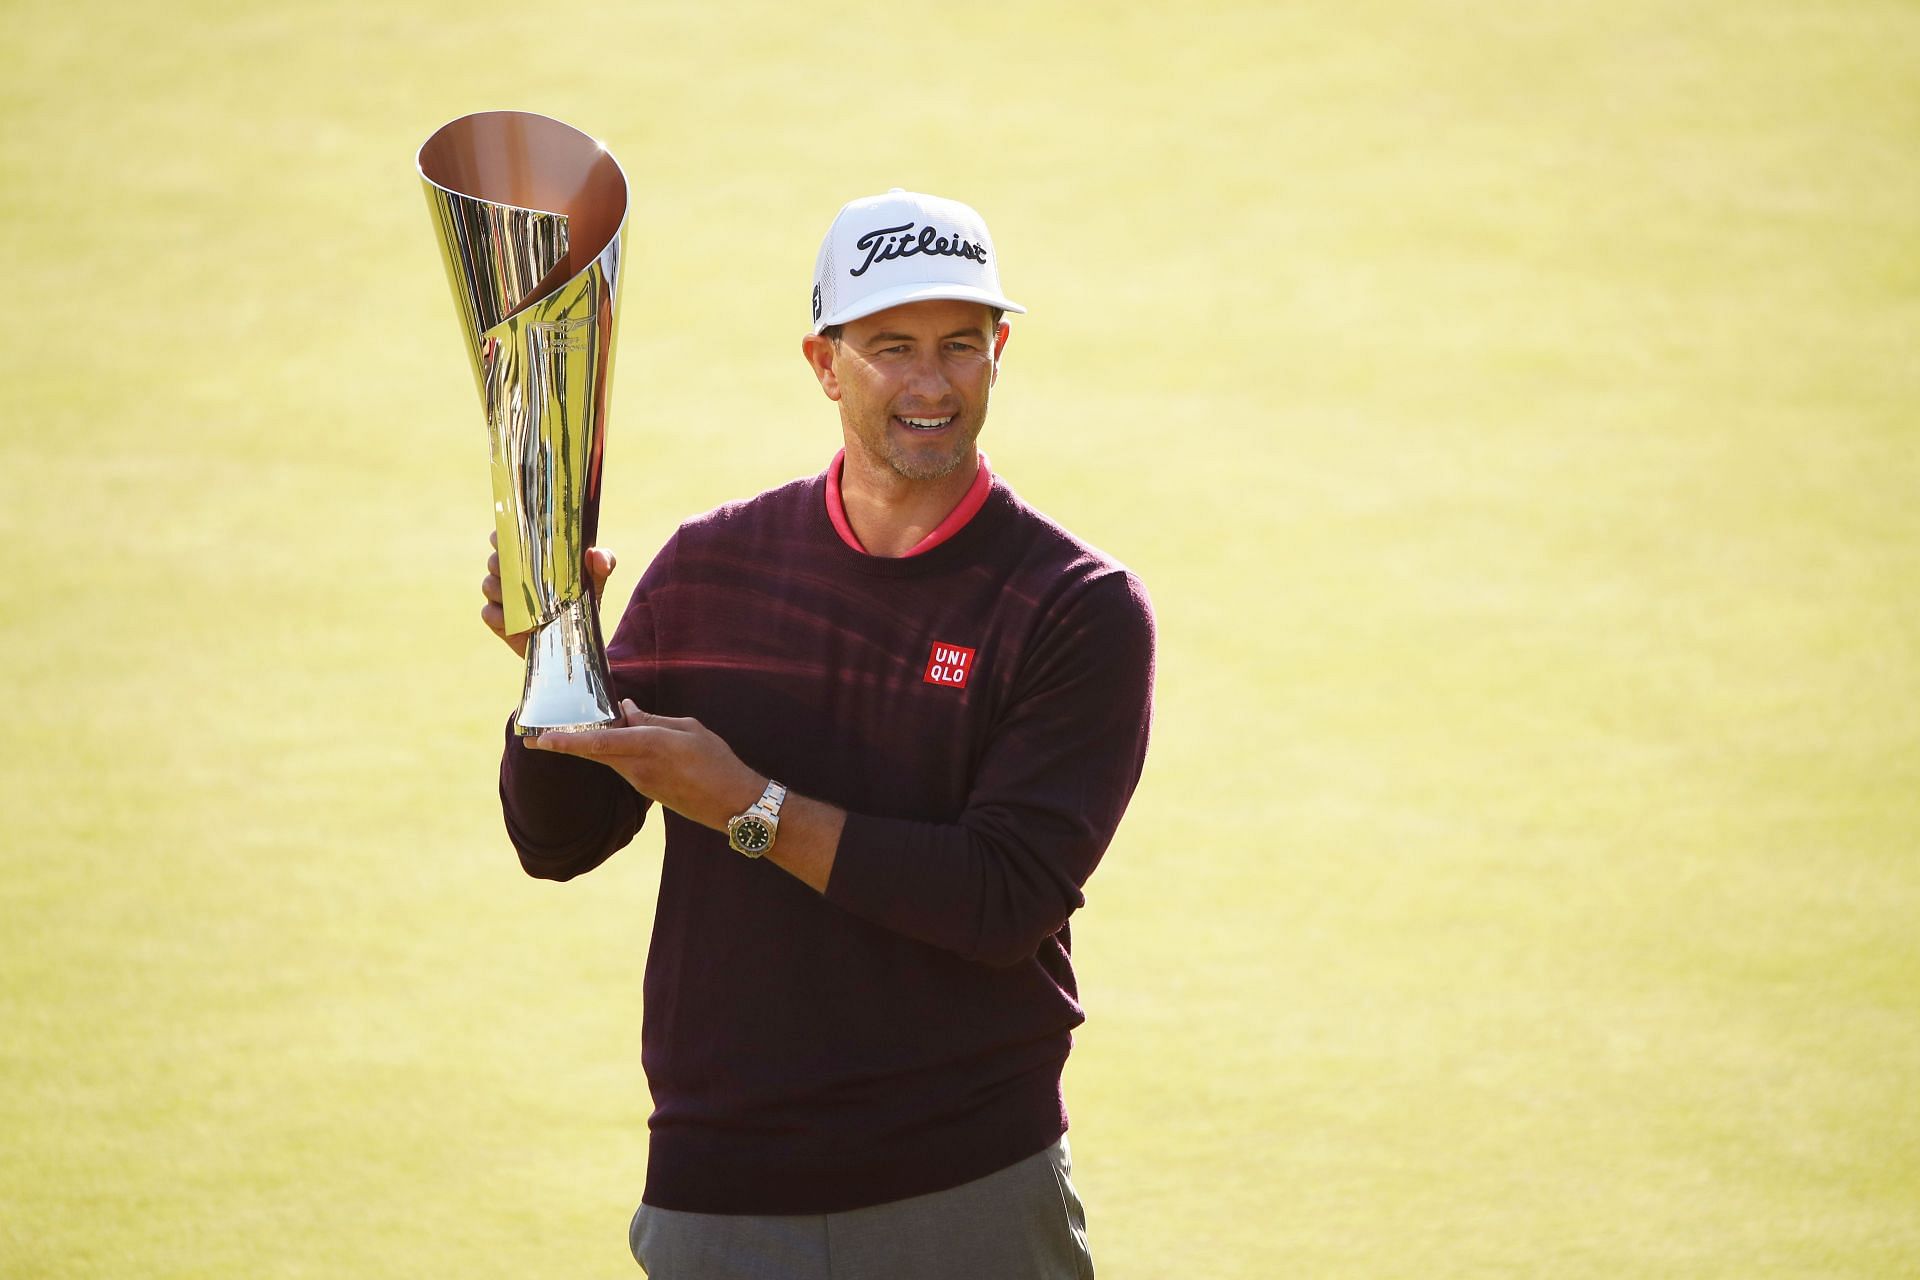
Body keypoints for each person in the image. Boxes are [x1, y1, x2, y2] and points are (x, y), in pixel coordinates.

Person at [482, 188, 1155, 1279]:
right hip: (719, 1195)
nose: (931, 382)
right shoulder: (709, 568)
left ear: (1000, 352)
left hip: (966, 1191)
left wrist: (747, 804)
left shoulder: (1075, 605)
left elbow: (1000, 898)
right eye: (892, 346)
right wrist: (550, 662)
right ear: (823, 360)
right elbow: (556, 839)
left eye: (961, 346)